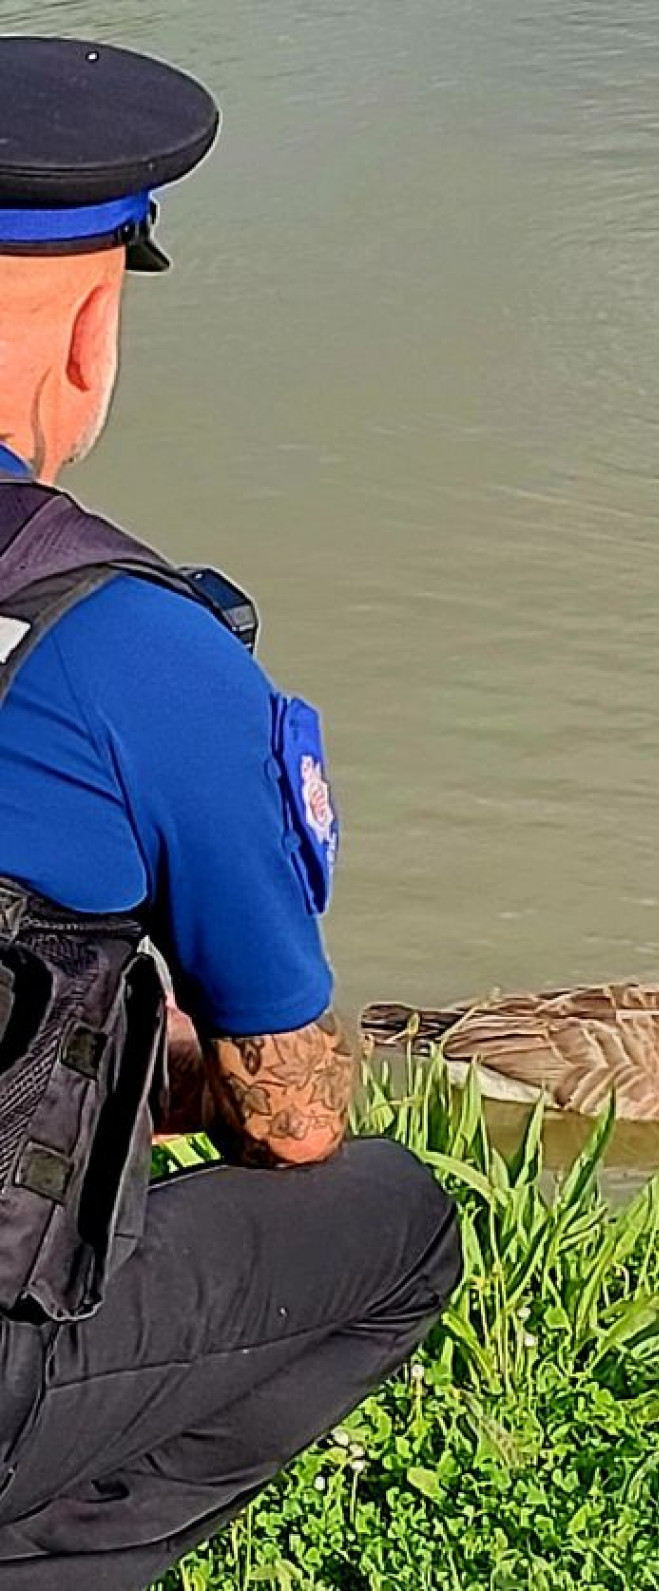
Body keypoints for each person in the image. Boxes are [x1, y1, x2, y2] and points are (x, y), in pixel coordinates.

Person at [0, 35, 461, 1590]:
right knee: (390, 1221)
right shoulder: (129, 648)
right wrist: (126, 1075)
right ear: (89, 331)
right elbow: (292, 1113)